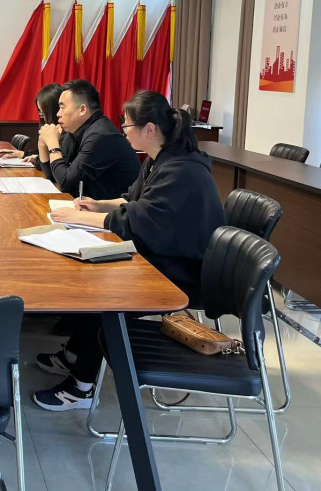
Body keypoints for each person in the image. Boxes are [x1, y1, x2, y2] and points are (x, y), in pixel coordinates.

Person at [32, 90, 226, 411]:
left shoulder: (182, 169)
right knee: (90, 277)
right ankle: (75, 354)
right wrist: (98, 204)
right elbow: (132, 200)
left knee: (103, 292)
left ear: (149, 129)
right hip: (164, 254)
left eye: (127, 125)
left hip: (185, 272)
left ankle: (82, 387)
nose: (123, 131)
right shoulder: (160, 159)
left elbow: (137, 220)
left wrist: (80, 217)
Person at [37, 79, 141, 198]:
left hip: (114, 207)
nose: (58, 114)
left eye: (62, 107)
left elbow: (66, 183)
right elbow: (53, 175)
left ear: (82, 110)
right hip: (89, 203)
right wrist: (42, 143)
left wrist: (52, 144)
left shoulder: (101, 136)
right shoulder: (75, 132)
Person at [0, 83, 63, 163]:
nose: (43, 118)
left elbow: (54, 163)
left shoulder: (65, 133)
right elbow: (42, 154)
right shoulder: (49, 129)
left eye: (43, 113)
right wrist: (21, 154)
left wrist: (37, 160)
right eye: (40, 113)